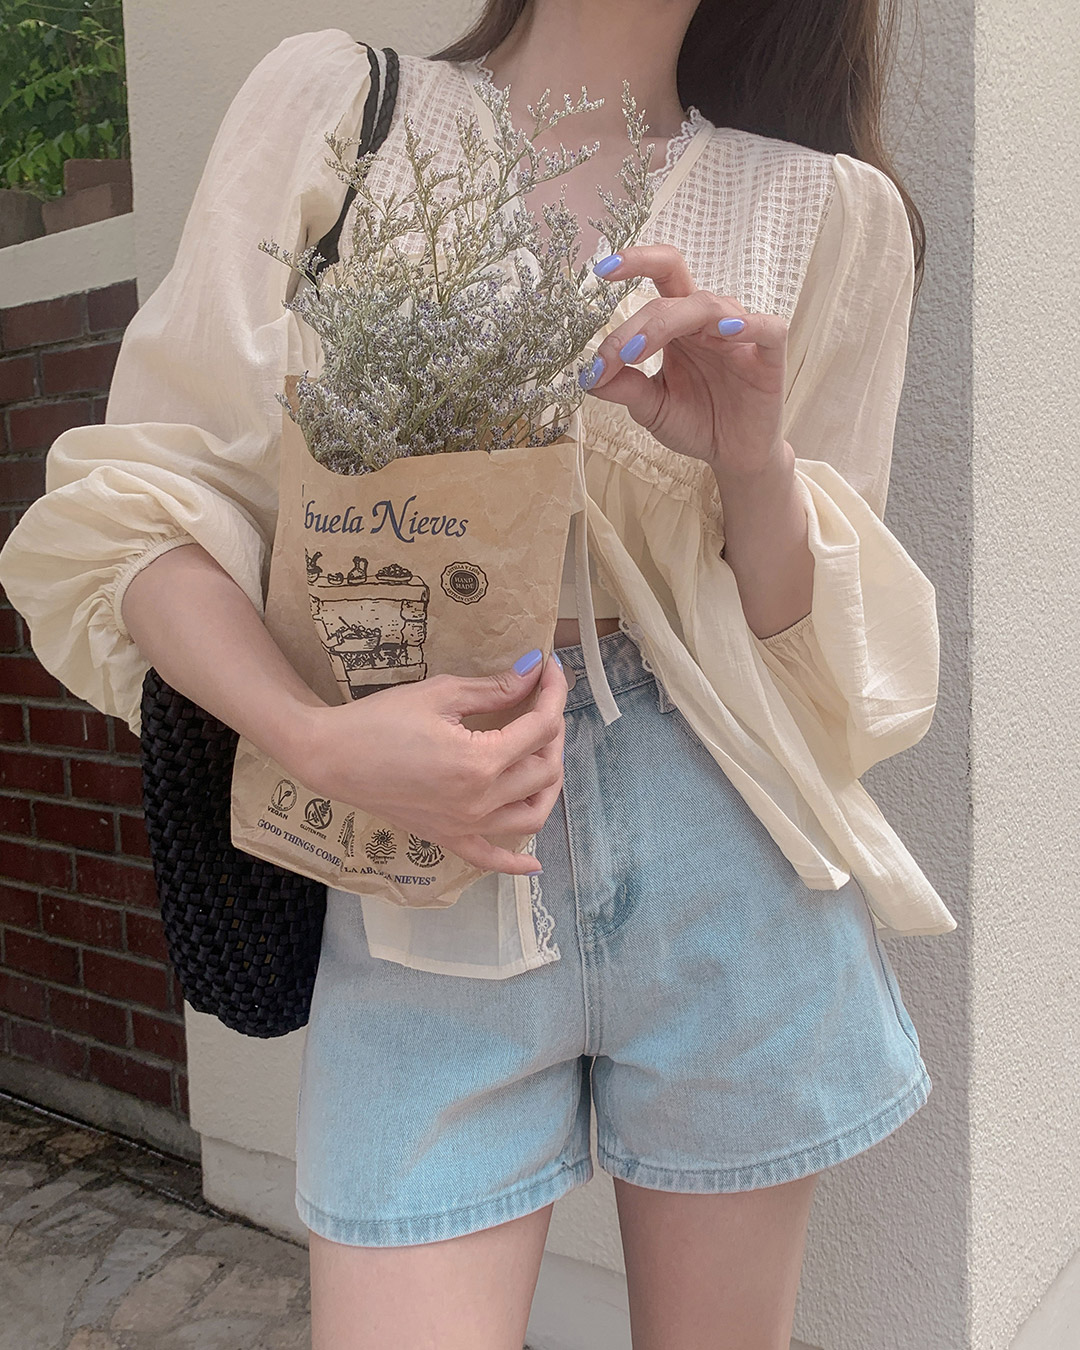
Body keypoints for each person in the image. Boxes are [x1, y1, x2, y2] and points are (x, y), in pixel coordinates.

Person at [0, 2, 959, 1347]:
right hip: (421, 855)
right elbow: (146, 510)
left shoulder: (830, 210)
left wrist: (752, 460)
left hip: (726, 854)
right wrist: (314, 739)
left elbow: (817, 662)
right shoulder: (341, 111)